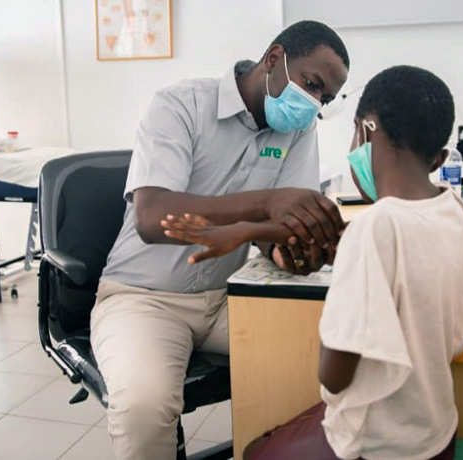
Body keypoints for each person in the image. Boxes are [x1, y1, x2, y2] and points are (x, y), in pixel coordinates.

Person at [162, 65, 463, 460]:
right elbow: (370, 239)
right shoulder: (455, 211)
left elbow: (333, 376)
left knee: (254, 451)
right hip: (435, 431)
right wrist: (245, 230)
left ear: (365, 131)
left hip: (377, 444)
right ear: (439, 158)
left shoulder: (376, 228)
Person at [90, 20, 350, 460]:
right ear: (274, 59)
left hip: (231, 296)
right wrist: (268, 205)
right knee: (145, 407)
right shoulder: (181, 105)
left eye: (324, 98)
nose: (313, 104)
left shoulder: (298, 129)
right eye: (311, 84)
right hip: (144, 299)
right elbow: (153, 218)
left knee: (328, 361)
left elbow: (280, 228)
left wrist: (297, 250)